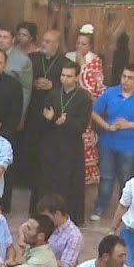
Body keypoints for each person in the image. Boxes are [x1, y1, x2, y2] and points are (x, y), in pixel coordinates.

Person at [91, 63, 134, 222]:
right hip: (108, 143)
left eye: (130, 78)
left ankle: (124, 209)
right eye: (124, 76)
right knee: (106, 177)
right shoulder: (110, 93)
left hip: (131, 146)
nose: (125, 81)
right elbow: (94, 112)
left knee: (126, 179)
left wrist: (129, 125)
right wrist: (106, 126)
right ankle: (101, 206)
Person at [29, 61, 91, 223]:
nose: (64, 79)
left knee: (68, 182)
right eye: (63, 75)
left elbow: (82, 124)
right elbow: (44, 116)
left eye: (69, 76)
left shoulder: (84, 97)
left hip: (70, 146)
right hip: (51, 143)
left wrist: (65, 121)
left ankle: (67, 216)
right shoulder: (53, 94)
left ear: (76, 77)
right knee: (47, 179)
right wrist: (51, 119)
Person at [69, 25, 106, 190]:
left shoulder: (95, 61)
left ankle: (85, 175)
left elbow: (93, 87)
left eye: (83, 44)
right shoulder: (70, 57)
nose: (80, 47)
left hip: (86, 105)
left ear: (90, 46)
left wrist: (83, 66)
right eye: (78, 43)